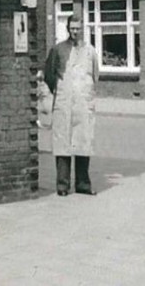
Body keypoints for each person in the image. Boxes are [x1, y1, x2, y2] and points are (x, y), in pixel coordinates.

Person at [44, 14, 99, 196]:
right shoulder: (58, 50)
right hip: (64, 102)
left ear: (82, 29)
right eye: (72, 28)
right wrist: (61, 91)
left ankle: (83, 184)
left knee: (83, 142)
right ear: (68, 28)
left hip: (83, 103)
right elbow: (49, 75)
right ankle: (62, 185)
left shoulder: (90, 50)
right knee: (63, 143)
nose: (75, 31)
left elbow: (95, 75)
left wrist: (86, 92)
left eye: (78, 28)